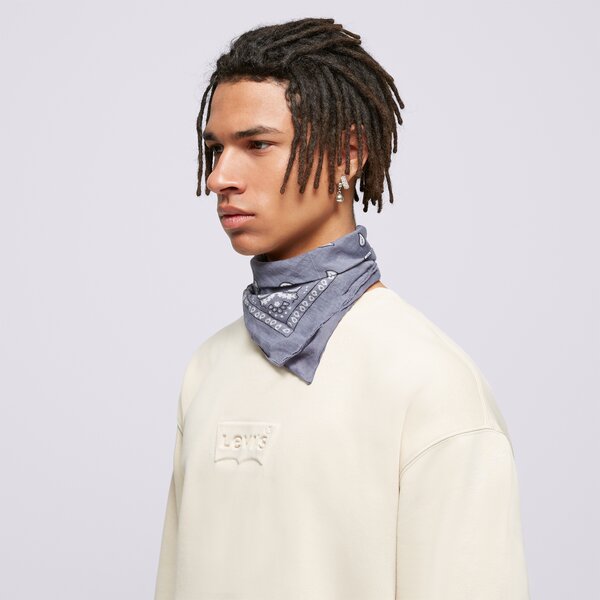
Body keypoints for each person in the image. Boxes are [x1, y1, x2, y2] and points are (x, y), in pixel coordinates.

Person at [153, 17, 530, 600]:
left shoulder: (429, 382)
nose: (220, 177)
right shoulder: (208, 368)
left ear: (346, 154)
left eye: (257, 145)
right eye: (214, 149)